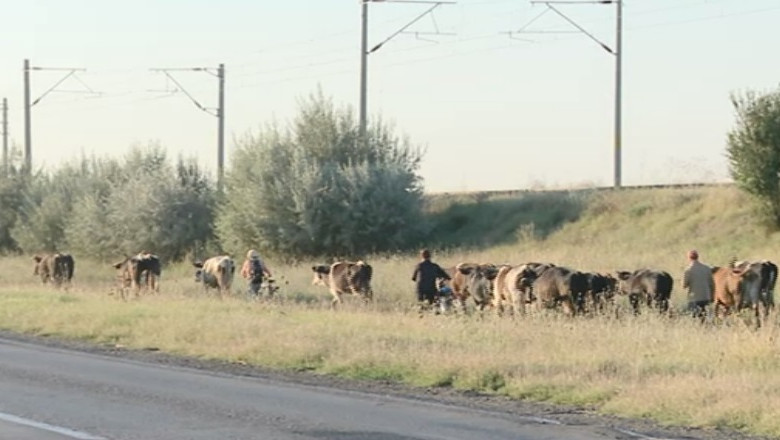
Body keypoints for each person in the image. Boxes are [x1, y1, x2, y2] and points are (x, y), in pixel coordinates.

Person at [412, 249, 451, 313]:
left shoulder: (418, 266)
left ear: (421, 256)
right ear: (430, 256)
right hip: (431, 288)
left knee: (420, 304)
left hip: (420, 289)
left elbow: (413, 278)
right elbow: (447, 277)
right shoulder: (434, 266)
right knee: (431, 304)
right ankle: (432, 313)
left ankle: (421, 315)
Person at [682, 249, 714, 321]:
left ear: (689, 258)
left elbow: (684, 286)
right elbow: (712, 284)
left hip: (694, 298)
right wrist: (712, 296)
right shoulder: (707, 268)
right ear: (698, 257)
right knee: (705, 318)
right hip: (706, 297)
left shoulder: (688, 270)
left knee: (694, 319)